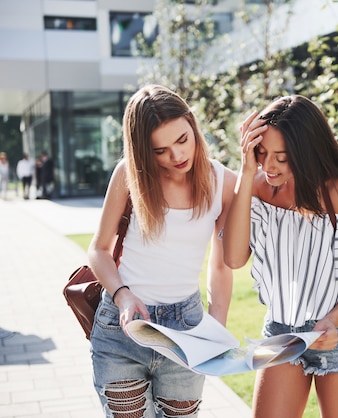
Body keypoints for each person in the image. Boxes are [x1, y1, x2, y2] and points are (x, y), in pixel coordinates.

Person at [222, 95, 338, 418]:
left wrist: (334, 318)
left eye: (281, 158)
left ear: (306, 152)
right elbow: (233, 258)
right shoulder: (256, 185)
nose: (269, 166)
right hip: (280, 331)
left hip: (335, 335)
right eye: (262, 153)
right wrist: (245, 171)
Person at [87, 84, 236, 417]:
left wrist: (216, 331)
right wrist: (123, 295)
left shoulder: (222, 182)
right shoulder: (129, 174)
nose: (177, 156)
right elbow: (98, 249)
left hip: (187, 329)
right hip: (122, 328)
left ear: (192, 125)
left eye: (183, 140)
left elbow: (222, 265)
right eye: (160, 150)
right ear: (143, 151)